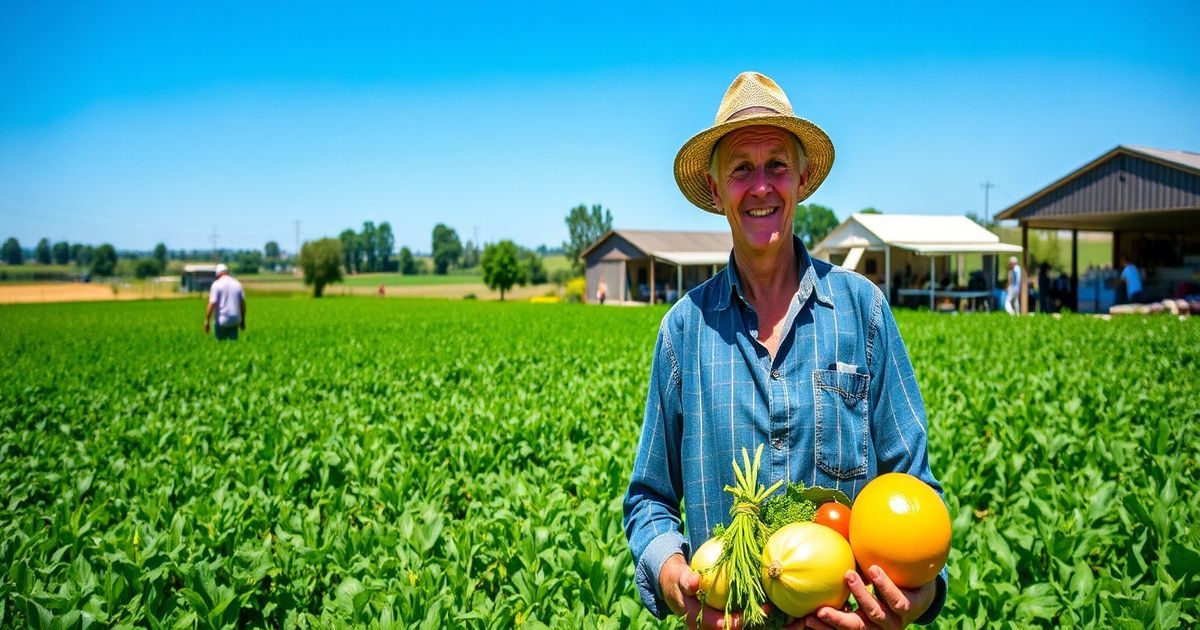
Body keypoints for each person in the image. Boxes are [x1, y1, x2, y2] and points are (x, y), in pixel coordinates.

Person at [623, 72, 947, 629]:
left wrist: (917, 597)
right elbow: (649, 499)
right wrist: (676, 579)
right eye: (741, 169)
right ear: (717, 187)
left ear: (801, 176)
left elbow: (913, 490)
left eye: (776, 164)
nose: (761, 186)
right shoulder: (683, 332)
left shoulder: (862, 310)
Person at [204, 264, 245, 341]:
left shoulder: (216, 284)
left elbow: (212, 303)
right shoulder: (237, 284)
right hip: (235, 320)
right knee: (233, 345)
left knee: (221, 344)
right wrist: (243, 320)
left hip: (222, 320)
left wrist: (207, 320)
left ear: (218, 273)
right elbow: (242, 303)